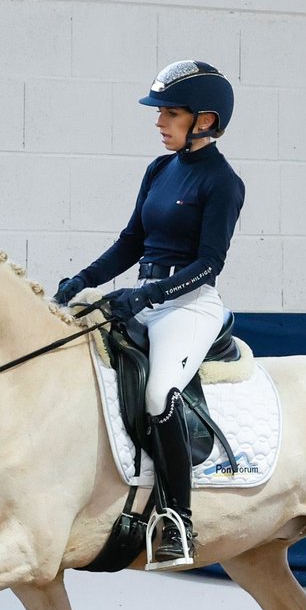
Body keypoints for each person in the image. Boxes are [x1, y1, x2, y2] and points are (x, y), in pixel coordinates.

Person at [55, 60, 245, 570]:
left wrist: (148, 295)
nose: (159, 122)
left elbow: (209, 264)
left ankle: (177, 520)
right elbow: (131, 242)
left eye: (170, 113)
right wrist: (83, 280)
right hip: (145, 296)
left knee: (161, 394)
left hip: (189, 306)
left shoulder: (223, 183)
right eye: (160, 113)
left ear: (204, 121)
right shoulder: (160, 170)